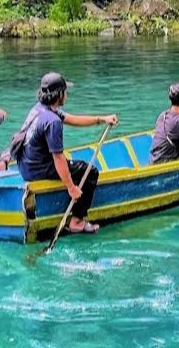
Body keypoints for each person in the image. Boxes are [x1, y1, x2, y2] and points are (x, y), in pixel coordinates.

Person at [17, 72, 118, 234]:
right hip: (38, 170)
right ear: (59, 95)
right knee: (89, 171)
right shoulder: (53, 122)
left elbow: (72, 119)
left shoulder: (40, 109)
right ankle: (77, 221)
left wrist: (101, 119)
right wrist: (71, 187)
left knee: (69, 162)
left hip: (25, 166)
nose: (67, 94)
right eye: (65, 91)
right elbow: (58, 157)